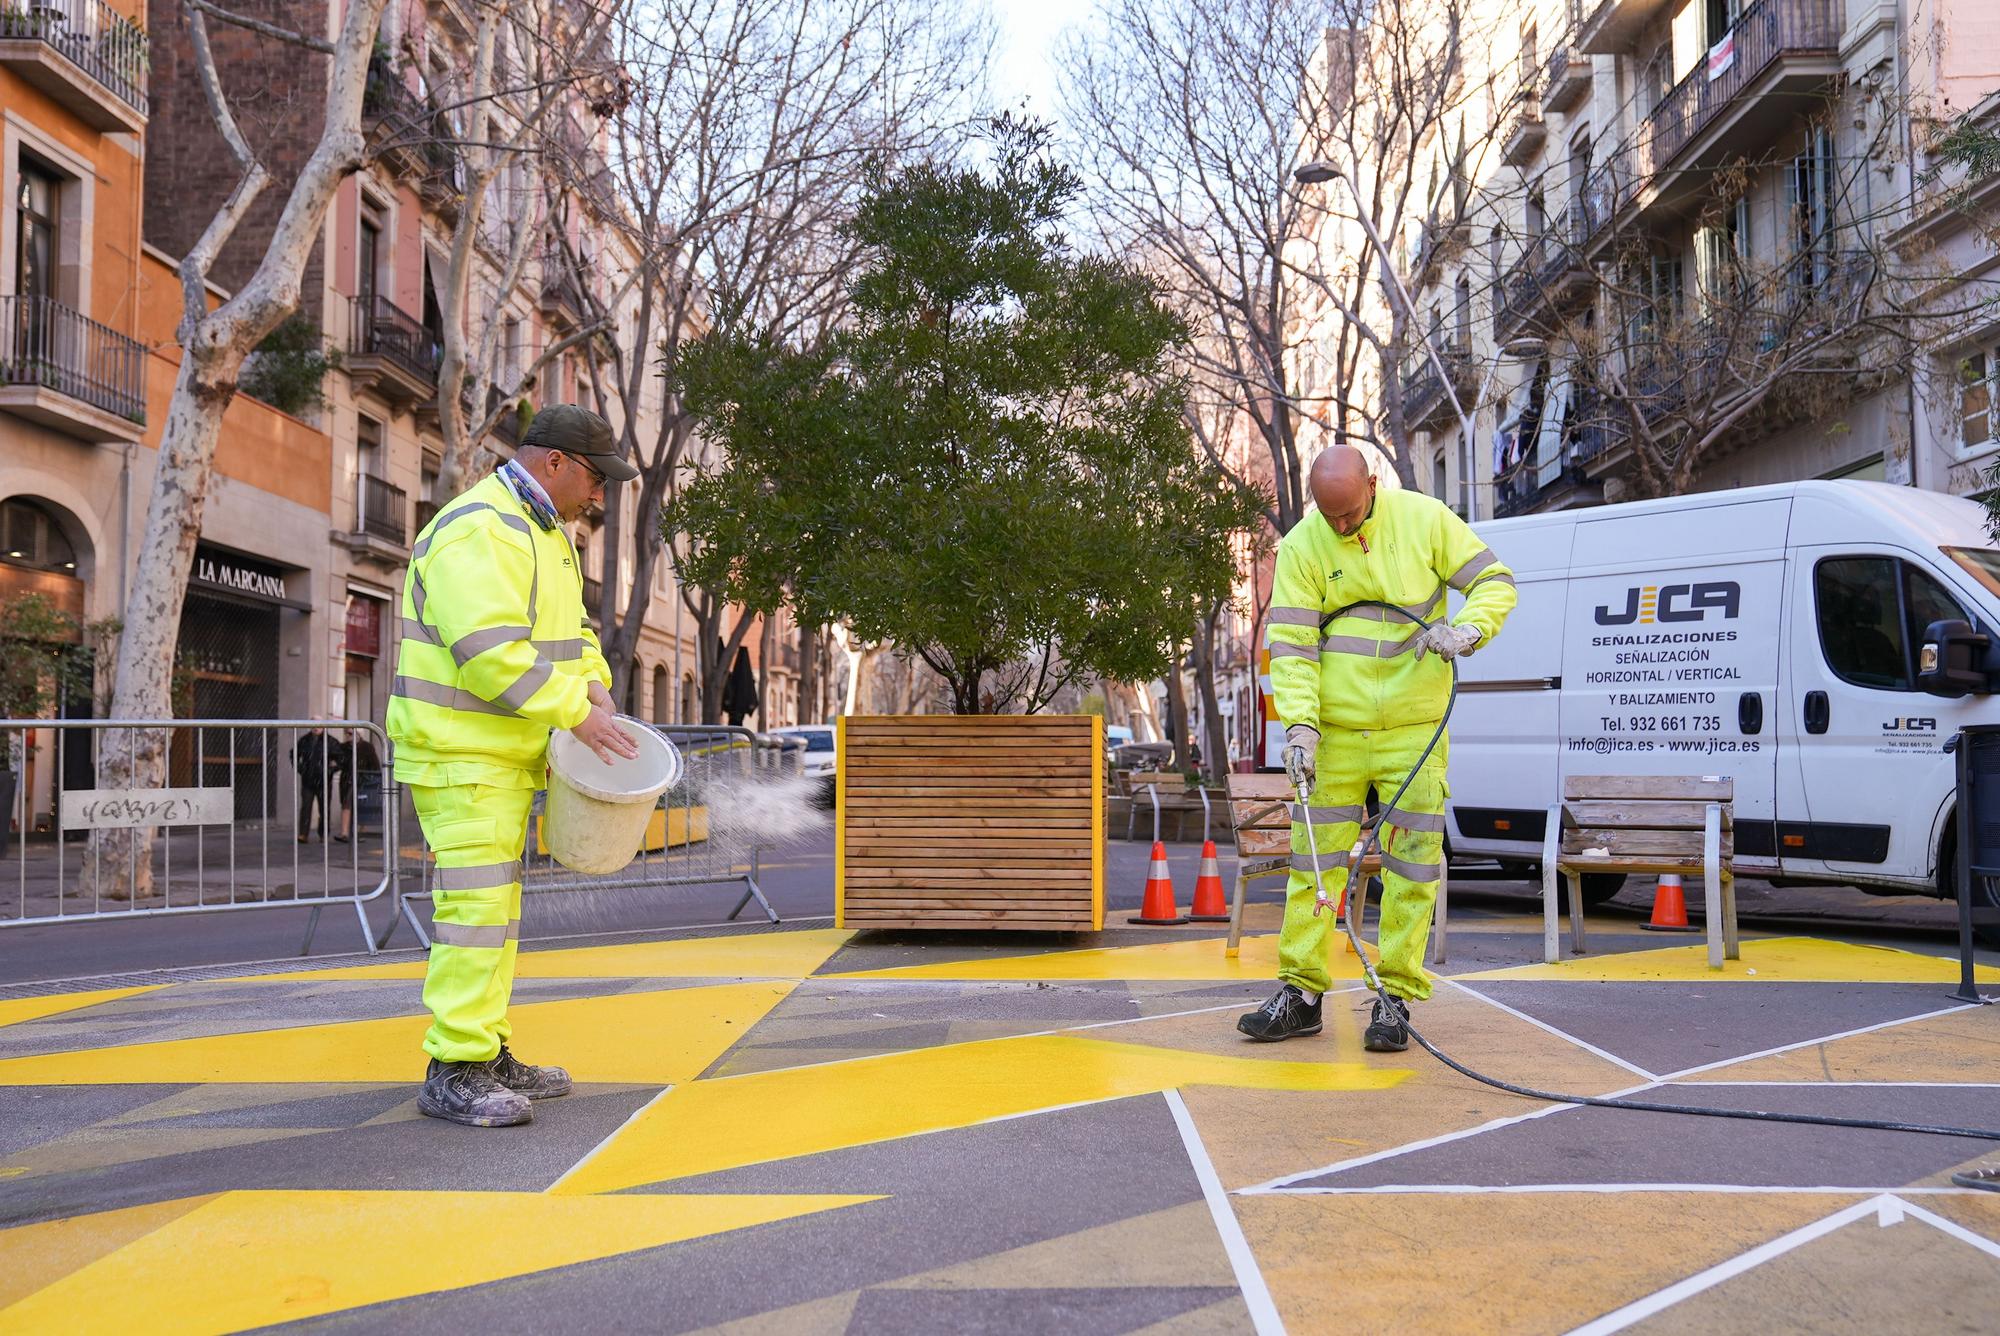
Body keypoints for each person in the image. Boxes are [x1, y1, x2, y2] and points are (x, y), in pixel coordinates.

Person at [388, 404, 643, 1128]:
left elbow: (571, 630)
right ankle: (456, 1067)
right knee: (473, 914)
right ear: (554, 463)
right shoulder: (481, 527)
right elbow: (489, 652)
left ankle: (485, 1050)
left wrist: (592, 680)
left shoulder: (541, 532)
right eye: (595, 478)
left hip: (495, 757)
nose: (599, 495)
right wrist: (578, 711)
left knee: (494, 915)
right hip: (462, 756)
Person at [1237, 445, 1515, 1052]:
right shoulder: (1303, 545)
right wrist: (1300, 727)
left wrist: (1468, 630)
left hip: (1414, 730)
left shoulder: (1426, 519)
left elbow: (1496, 581)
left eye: (1349, 513)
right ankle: (1301, 992)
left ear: (1373, 483)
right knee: (1313, 862)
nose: (1339, 527)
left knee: (1412, 865)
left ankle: (1395, 998)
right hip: (1335, 732)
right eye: (1327, 516)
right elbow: (1290, 644)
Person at [292, 721, 328, 844]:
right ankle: (303, 834)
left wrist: (330, 770)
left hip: (324, 780)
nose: (316, 728)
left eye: (318, 725)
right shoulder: (304, 740)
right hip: (308, 779)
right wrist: (300, 768)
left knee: (324, 808)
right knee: (306, 807)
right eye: (313, 725)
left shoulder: (329, 741)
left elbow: (338, 757)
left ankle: (323, 834)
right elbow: (294, 754)